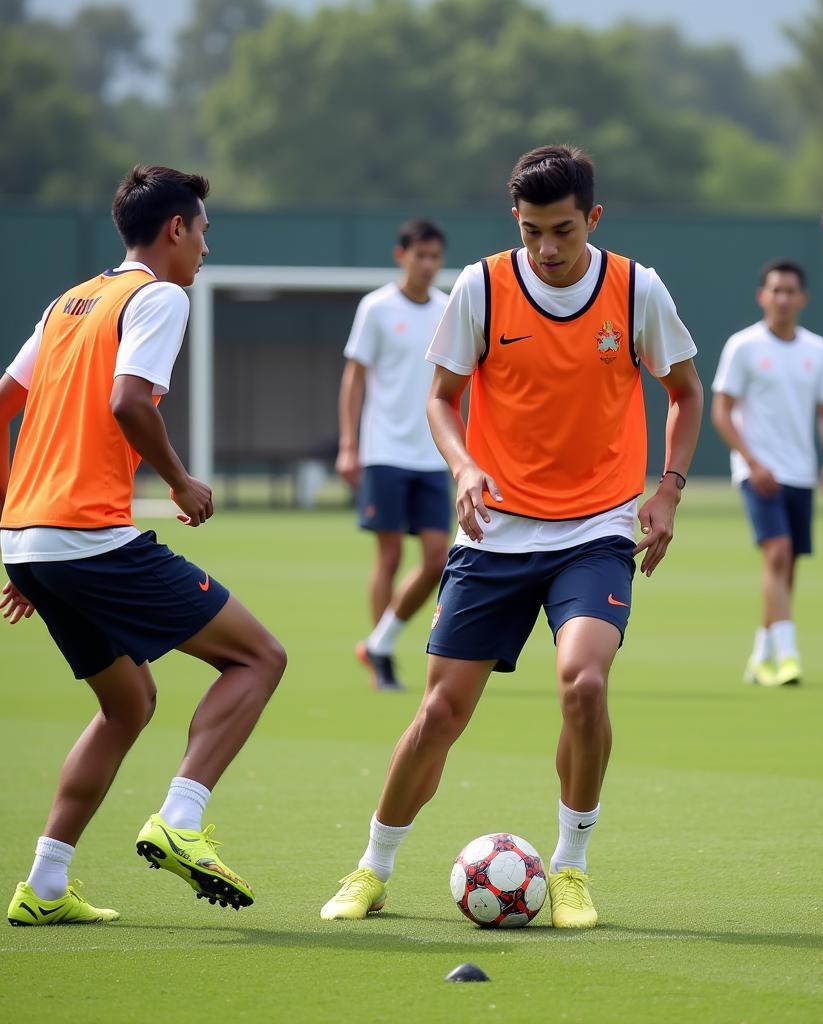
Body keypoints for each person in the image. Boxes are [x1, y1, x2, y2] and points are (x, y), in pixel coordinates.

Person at [320, 143, 703, 929]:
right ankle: (373, 867)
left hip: (595, 529)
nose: (548, 249)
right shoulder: (482, 286)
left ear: (593, 218)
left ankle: (570, 867)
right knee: (438, 717)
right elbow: (441, 398)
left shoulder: (638, 289)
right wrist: (461, 465)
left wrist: (667, 490)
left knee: (584, 684)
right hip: (493, 534)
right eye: (532, 231)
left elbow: (686, 392)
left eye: (563, 229)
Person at [1, 165, 286, 927]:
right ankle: (180, 821)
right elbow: (130, 402)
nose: (203, 253)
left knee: (127, 706)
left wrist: (20, 530)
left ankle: (45, 887)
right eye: (203, 236)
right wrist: (183, 481)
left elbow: (3, 406)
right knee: (260, 658)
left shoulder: (70, 302)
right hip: (88, 536)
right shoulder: (160, 295)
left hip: (34, 540)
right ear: (175, 230)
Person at [711, 260, 823, 686]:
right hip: (758, 472)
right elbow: (722, 411)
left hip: (801, 473)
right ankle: (787, 657)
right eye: (775, 290)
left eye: (791, 291)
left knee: (787, 568)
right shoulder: (743, 346)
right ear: (762, 296)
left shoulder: (817, 350)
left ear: (803, 298)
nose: (783, 298)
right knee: (778, 554)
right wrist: (751, 462)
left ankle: (761, 653)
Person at [335, 220, 451, 691]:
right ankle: (381, 661)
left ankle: (379, 641)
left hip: (433, 454)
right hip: (384, 451)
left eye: (435, 257)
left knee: (438, 559)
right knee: (388, 558)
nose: (427, 265)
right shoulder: (377, 308)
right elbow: (354, 378)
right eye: (420, 255)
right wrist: (349, 444)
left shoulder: (448, 310)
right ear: (400, 255)